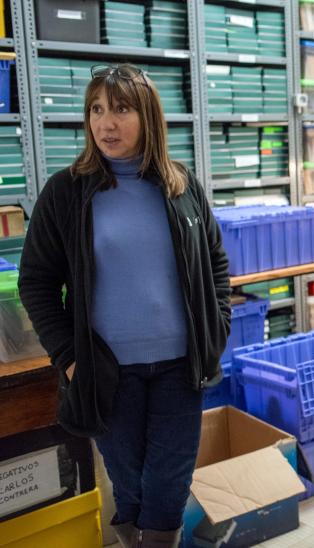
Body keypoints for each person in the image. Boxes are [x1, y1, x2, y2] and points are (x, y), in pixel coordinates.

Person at [18, 64, 231, 548]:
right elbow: (37, 281)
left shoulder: (181, 185)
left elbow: (215, 262)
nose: (105, 123)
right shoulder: (67, 192)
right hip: (106, 371)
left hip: (181, 366)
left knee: (169, 483)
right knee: (130, 480)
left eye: (121, 109)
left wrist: (216, 328)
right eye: (96, 109)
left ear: (148, 116)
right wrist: (69, 359)